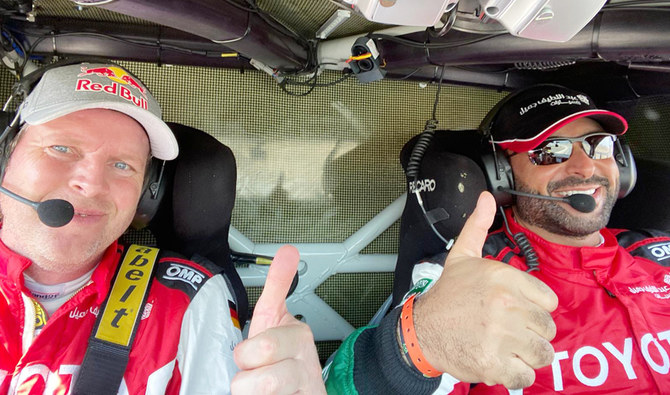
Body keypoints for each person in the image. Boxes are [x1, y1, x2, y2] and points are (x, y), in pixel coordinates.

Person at [0, 62, 325, 394]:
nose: (92, 184)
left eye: (122, 165)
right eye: (62, 148)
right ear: (5, 159)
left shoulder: (186, 300)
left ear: (145, 195)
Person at [324, 84, 670, 393]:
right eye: (552, 151)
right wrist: (419, 343)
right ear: (501, 174)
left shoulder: (657, 252)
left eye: (598, 145)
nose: (586, 167)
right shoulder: (467, 278)